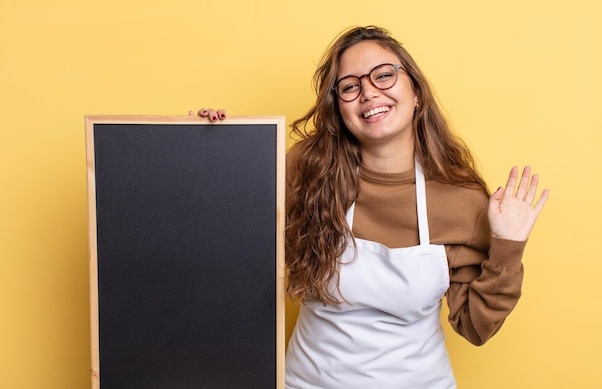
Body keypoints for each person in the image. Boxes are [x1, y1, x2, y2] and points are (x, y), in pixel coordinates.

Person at [198, 25, 548, 389]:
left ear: (415, 91)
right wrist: (207, 143)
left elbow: (476, 328)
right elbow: (222, 236)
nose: (368, 92)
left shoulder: (461, 199)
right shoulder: (303, 170)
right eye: (350, 86)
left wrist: (508, 246)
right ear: (339, 109)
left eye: (384, 75)